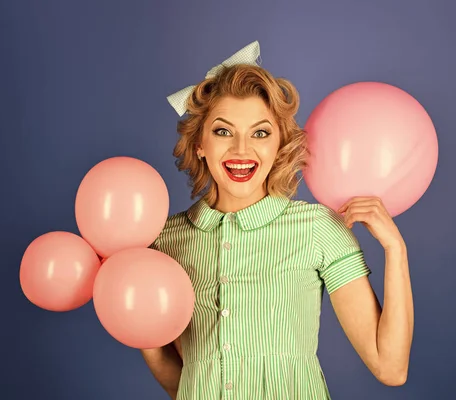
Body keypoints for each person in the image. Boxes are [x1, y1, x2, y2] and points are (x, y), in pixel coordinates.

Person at [140, 41, 414, 400]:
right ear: (199, 145)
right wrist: (142, 332)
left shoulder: (318, 229)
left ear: (280, 143)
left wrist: (396, 249)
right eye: (223, 131)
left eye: (260, 133)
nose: (242, 150)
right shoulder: (164, 241)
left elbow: (391, 368)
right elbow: (187, 380)